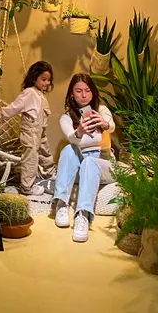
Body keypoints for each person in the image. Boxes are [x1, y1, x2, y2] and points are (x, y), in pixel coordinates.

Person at [53, 73, 115, 243]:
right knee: (68, 149)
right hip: (81, 165)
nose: (84, 95)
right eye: (78, 91)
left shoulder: (101, 110)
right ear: (72, 94)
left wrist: (104, 123)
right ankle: (61, 203)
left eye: (87, 90)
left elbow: (111, 127)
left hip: (103, 163)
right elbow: (71, 138)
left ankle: (83, 214)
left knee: (90, 161)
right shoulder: (66, 118)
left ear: (93, 92)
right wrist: (79, 131)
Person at [0, 61, 56, 196]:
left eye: (49, 80)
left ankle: (50, 171)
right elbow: (14, 108)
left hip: (40, 130)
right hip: (31, 131)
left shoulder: (39, 93)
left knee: (45, 150)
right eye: (43, 79)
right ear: (34, 78)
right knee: (31, 157)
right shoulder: (29, 93)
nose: (47, 83)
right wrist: (0, 114)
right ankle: (27, 187)